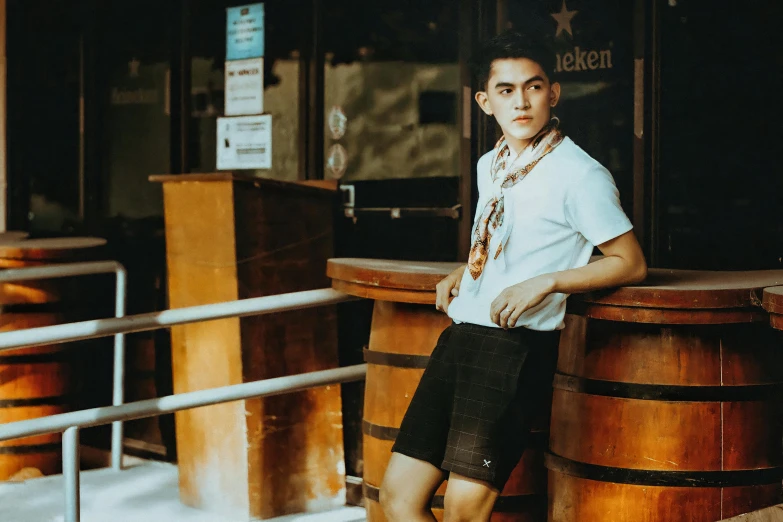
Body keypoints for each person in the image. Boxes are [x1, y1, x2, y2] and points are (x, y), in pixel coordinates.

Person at [379, 30, 648, 522]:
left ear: (554, 93)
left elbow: (629, 261)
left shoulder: (580, 175)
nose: (521, 102)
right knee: (397, 498)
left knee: (463, 512)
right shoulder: (492, 164)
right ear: (484, 101)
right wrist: (468, 270)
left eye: (534, 86)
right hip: (461, 339)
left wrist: (545, 282)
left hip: (513, 349)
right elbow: (510, 234)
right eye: (506, 90)